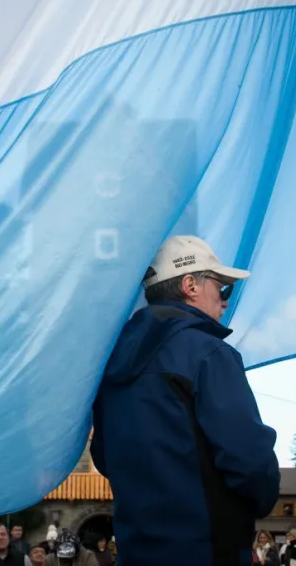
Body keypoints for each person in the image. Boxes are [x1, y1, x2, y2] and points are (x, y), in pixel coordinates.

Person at [90, 235, 280, 566]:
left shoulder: (110, 362)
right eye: (221, 288)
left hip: (136, 552)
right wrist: (255, 505)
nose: (224, 302)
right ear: (190, 285)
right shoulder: (209, 354)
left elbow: (105, 458)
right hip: (206, 551)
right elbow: (249, 460)